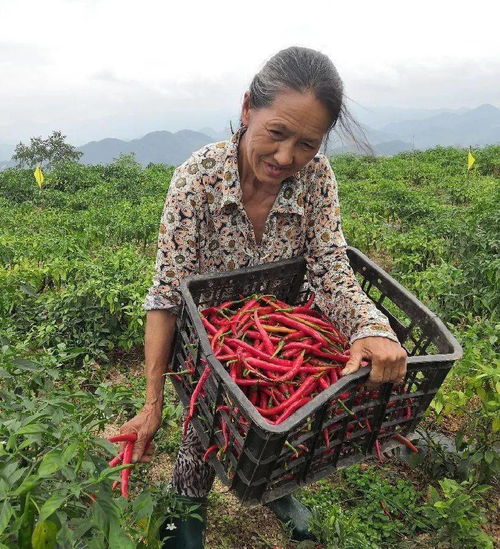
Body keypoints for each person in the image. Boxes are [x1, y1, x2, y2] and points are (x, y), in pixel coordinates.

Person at [119, 46, 408, 548]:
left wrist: (371, 327)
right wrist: (152, 403)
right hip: (209, 343)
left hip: (277, 331)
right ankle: (179, 522)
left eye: (307, 144)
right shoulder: (198, 180)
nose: (286, 158)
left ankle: (274, 489)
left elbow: (330, 267)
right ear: (248, 107)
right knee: (201, 432)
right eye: (277, 134)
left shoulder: (315, 178)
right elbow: (166, 296)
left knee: (284, 420)